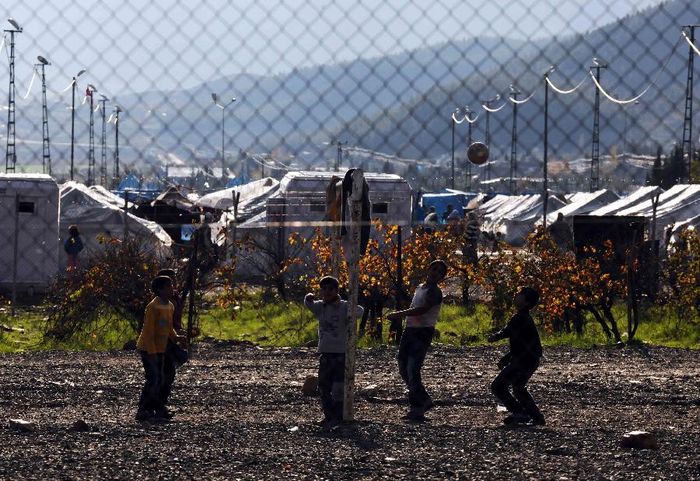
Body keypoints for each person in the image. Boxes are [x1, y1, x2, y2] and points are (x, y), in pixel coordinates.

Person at [386, 259, 448, 422]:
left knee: (413, 368)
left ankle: (417, 407)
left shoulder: (435, 292)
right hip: (410, 330)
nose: (435, 272)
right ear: (428, 269)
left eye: (439, 271)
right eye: (433, 268)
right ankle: (423, 399)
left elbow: (422, 309)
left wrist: (399, 314)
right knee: (403, 367)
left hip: (423, 332)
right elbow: (415, 305)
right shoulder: (420, 287)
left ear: (441, 277)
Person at [304, 276, 364, 426]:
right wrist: (308, 297)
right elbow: (309, 304)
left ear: (337, 290)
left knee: (338, 386)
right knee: (324, 386)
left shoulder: (344, 306)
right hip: (325, 351)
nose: (327, 292)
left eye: (330, 289)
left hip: (340, 352)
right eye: (324, 289)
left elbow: (359, 311)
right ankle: (328, 415)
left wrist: (351, 305)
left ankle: (338, 415)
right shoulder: (321, 306)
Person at [487, 286, 545, 426]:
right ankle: (536, 417)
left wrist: (495, 337)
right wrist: (506, 359)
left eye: (520, 294)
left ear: (526, 302)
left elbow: (508, 331)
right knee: (518, 388)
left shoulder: (520, 317)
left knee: (498, 386)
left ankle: (520, 413)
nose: (517, 295)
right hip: (529, 359)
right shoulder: (523, 317)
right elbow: (520, 343)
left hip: (524, 361)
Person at [135, 275, 185, 422]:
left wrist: (176, 338)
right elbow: (148, 331)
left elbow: (168, 328)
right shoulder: (153, 306)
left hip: (161, 348)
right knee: (153, 379)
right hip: (148, 348)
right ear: (160, 289)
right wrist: (152, 352)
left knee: (162, 378)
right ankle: (143, 410)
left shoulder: (170, 306)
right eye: (168, 286)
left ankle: (158, 408)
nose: (172, 289)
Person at [156, 268, 189, 415]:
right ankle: (157, 406)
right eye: (170, 282)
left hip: (170, 337)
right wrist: (175, 334)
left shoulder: (175, 298)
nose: (174, 284)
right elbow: (163, 324)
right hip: (161, 341)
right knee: (164, 373)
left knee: (168, 373)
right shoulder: (160, 303)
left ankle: (159, 404)